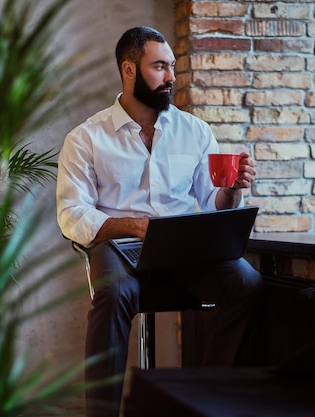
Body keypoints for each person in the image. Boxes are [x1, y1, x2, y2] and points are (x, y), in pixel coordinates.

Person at [56, 26, 264, 417]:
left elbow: (212, 202)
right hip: (118, 247)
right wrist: (136, 227)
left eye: (171, 67)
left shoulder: (195, 131)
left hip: (185, 249)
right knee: (115, 294)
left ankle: (203, 402)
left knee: (246, 283)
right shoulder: (86, 138)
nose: (170, 76)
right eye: (159, 67)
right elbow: (73, 215)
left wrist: (233, 189)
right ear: (129, 69)